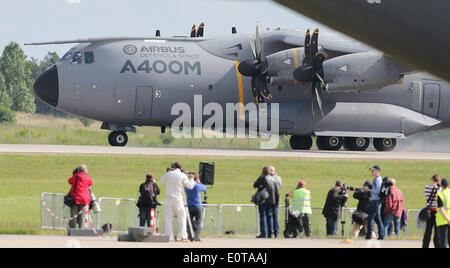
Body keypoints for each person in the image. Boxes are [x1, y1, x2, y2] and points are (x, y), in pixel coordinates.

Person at [159, 162, 195, 242]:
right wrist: (192, 179)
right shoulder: (183, 175)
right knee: (182, 217)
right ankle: (183, 236)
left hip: (168, 198)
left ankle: (168, 235)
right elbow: (190, 186)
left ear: (174, 167)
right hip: (178, 198)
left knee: (168, 217)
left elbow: (161, 181)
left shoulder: (169, 174)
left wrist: (167, 173)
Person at [254, 166, 280, 238]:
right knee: (270, 217)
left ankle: (264, 233)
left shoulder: (263, 177)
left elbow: (255, 185)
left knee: (263, 216)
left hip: (263, 199)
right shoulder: (274, 178)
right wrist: (277, 201)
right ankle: (270, 233)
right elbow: (277, 191)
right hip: (272, 200)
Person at [68, 165, 93, 229]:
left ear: (78, 170)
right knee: (82, 216)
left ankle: (72, 230)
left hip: (75, 199)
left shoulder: (75, 177)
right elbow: (90, 183)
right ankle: (81, 230)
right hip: (85, 200)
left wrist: (74, 174)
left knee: (73, 215)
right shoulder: (88, 177)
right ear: (85, 170)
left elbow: (69, 181)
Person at [185, 173, 208, 241]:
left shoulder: (187, 186)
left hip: (189, 205)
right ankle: (196, 237)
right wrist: (199, 182)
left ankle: (190, 236)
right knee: (198, 221)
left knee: (189, 221)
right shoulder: (197, 186)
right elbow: (205, 189)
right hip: (197, 205)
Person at [366, 165, 385, 240]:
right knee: (378, 218)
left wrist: (369, 190)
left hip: (375, 201)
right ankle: (381, 235)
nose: (372, 171)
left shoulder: (377, 180)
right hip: (376, 201)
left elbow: (378, 191)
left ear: (377, 171)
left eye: (373, 170)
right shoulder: (377, 179)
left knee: (370, 218)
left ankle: (369, 235)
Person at [422, 174, 442, 248]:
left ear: (431, 179)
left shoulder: (426, 188)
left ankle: (425, 245)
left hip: (429, 211)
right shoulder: (439, 189)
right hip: (436, 211)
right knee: (437, 231)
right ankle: (437, 245)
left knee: (428, 230)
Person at [268, 166, 282, 238]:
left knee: (270, 216)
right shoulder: (278, 178)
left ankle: (271, 233)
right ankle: (276, 233)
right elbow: (280, 186)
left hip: (270, 200)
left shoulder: (268, 178)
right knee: (275, 216)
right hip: (276, 200)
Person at [436, 178, 450, 248]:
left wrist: (448, 220)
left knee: (443, 243)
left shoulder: (440, 194)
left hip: (443, 221)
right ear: (449, 185)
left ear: (441, 185)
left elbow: (441, 209)